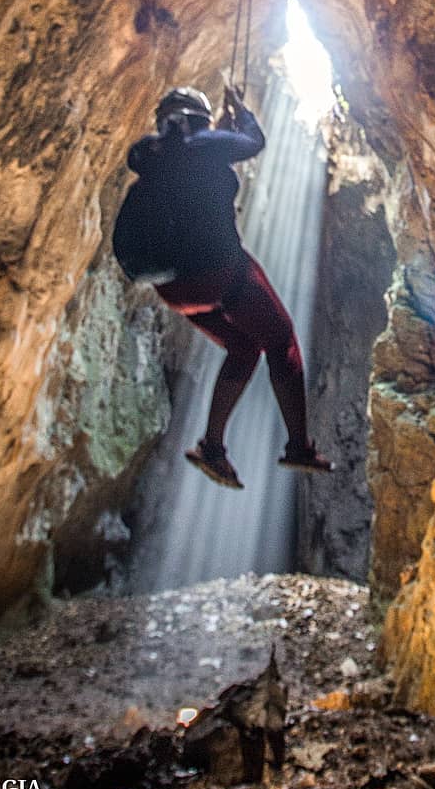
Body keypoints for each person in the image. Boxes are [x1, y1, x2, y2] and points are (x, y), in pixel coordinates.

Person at [113, 83, 332, 489]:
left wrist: (220, 133)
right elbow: (253, 142)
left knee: (244, 346)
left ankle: (212, 448)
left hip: (173, 289)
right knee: (282, 340)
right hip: (218, 274)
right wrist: (241, 112)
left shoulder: (154, 159)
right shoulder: (201, 143)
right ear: (200, 118)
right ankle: (299, 446)